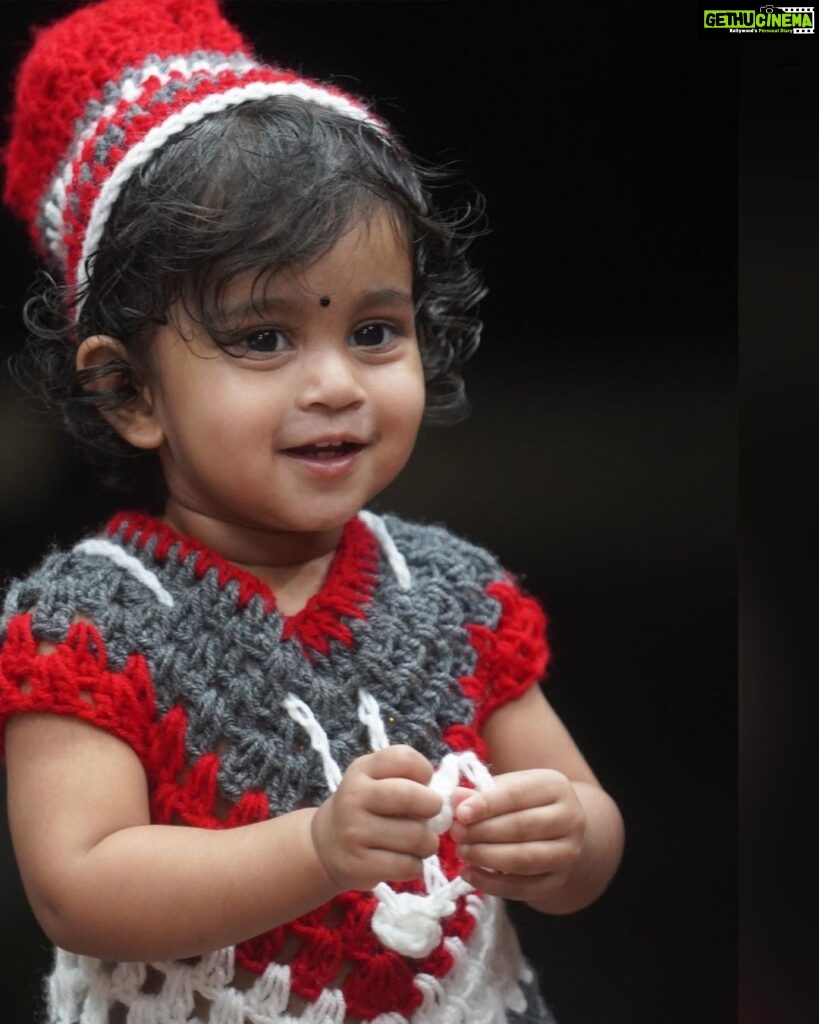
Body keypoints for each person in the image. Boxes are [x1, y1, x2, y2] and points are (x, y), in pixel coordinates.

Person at [0, 1, 625, 1021]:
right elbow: (80, 884)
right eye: (262, 339)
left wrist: (568, 838)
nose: (335, 383)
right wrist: (314, 849)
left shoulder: (452, 594)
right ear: (131, 393)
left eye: (375, 330)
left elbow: (587, 826)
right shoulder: (88, 627)